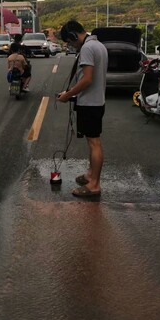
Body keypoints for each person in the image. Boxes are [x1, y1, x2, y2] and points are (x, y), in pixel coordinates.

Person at [57, 19, 108, 197]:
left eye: (70, 42)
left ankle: (94, 185)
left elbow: (87, 79)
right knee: (92, 141)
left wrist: (68, 95)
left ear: (73, 36)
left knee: (94, 143)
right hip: (96, 101)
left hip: (90, 103)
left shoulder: (87, 48)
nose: (71, 46)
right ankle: (90, 175)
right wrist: (71, 92)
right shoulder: (99, 45)